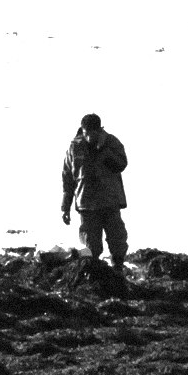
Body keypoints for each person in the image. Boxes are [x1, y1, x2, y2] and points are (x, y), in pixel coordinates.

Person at [60, 113, 130, 270]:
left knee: (117, 241)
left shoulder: (112, 142)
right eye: (86, 133)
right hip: (86, 203)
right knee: (91, 246)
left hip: (110, 201)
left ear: (99, 130)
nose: (89, 137)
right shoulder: (74, 147)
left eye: (93, 133)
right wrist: (65, 207)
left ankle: (118, 270)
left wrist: (106, 154)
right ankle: (94, 275)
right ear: (82, 130)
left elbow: (122, 164)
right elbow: (67, 178)